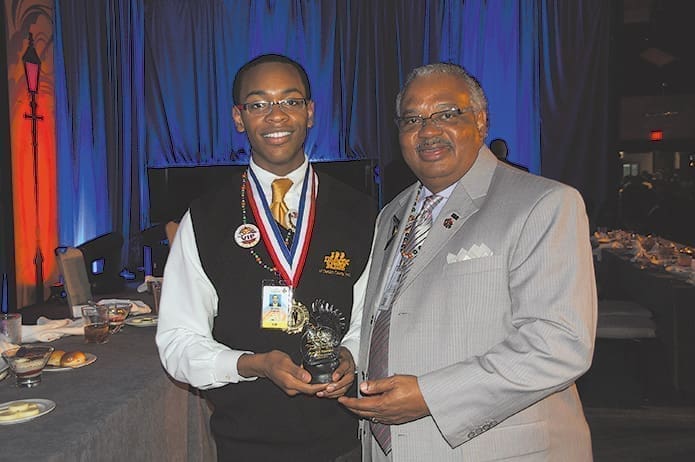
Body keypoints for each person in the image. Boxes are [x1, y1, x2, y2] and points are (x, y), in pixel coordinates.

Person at [339, 63, 597, 461]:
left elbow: (559, 344)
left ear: (480, 120)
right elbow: (388, 316)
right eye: (412, 119)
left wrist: (430, 396)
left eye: (447, 113)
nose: (427, 130)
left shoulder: (542, 203)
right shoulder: (392, 213)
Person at [156, 54, 375, 462]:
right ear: (239, 118)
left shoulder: (359, 212)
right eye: (258, 104)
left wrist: (351, 355)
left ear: (310, 113)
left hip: (344, 442)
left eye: (291, 101)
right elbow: (177, 342)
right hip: (245, 446)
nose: (276, 116)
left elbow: (370, 319)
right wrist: (251, 364)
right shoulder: (205, 218)